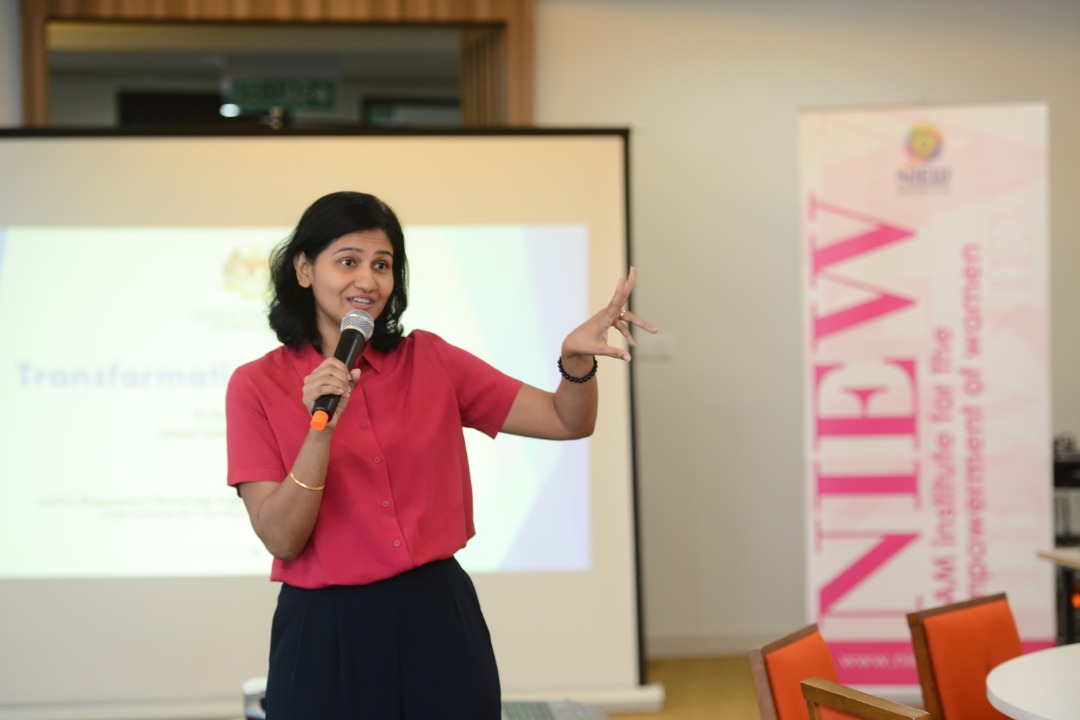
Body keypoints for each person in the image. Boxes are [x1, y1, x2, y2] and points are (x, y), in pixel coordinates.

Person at [225, 191, 656, 720]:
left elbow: (567, 421)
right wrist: (319, 433)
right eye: (348, 261)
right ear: (304, 269)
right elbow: (281, 538)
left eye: (382, 265)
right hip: (325, 631)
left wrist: (575, 362)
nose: (367, 281)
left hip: (436, 617)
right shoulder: (255, 385)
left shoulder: (430, 360)